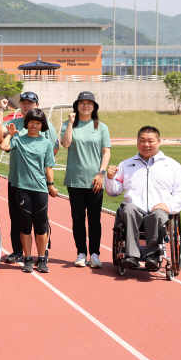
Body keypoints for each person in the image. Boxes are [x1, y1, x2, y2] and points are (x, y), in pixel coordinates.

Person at [105, 126, 181, 270]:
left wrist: (169, 206)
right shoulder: (126, 165)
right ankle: (131, 255)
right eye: (142, 141)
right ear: (137, 142)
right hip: (134, 209)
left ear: (159, 141)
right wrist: (110, 178)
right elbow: (114, 191)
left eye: (150, 141)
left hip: (158, 210)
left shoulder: (172, 166)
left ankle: (152, 255)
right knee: (129, 209)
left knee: (158, 214)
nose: (146, 144)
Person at [0, 91, 59, 264]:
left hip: (38, 182)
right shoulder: (15, 123)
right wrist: (0, 111)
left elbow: (53, 150)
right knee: (16, 217)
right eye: (23, 102)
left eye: (30, 103)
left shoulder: (47, 127)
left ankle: (43, 251)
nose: (27, 105)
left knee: (41, 219)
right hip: (16, 180)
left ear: (37, 105)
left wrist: (40, 171)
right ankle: (18, 250)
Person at [60, 91, 111, 269]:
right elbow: (65, 144)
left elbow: (106, 152)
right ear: (77, 106)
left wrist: (101, 173)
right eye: (82, 102)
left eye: (89, 103)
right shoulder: (68, 125)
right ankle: (81, 253)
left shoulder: (101, 127)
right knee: (78, 218)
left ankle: (95, 254)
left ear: (94, 107)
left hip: (95, 180)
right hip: (75, 180)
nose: (85, 105)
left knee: (95, 219)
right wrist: (70, 124)